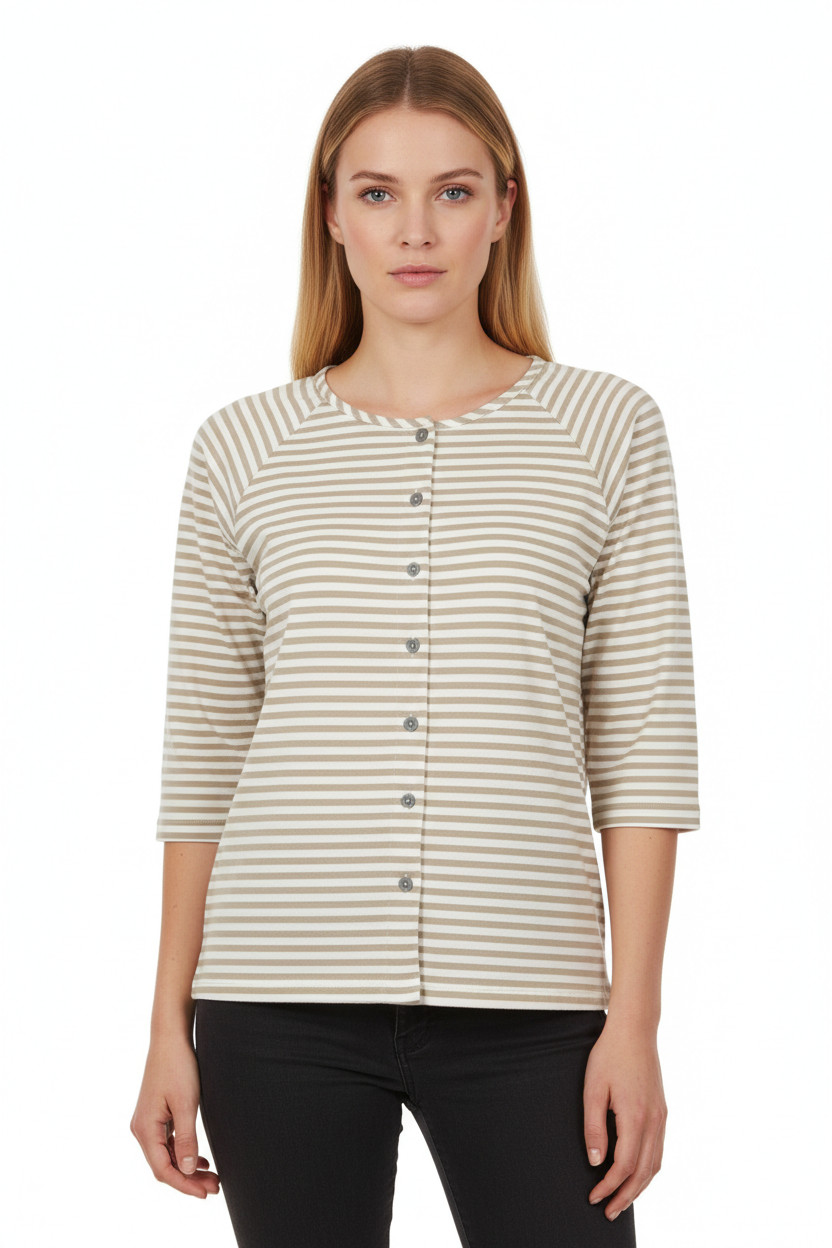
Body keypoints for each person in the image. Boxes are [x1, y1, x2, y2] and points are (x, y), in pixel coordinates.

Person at [130, 44, 699, 1248]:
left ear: (503, 207)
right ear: (331, 215)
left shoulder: (607, 429)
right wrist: (165, 1027)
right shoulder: (241, 448)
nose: (415, 229)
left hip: (534, 1001)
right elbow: (206, 753)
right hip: (274, 996)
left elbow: (642, 742)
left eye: (452, 189)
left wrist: (634, 1020)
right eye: (378, 192)